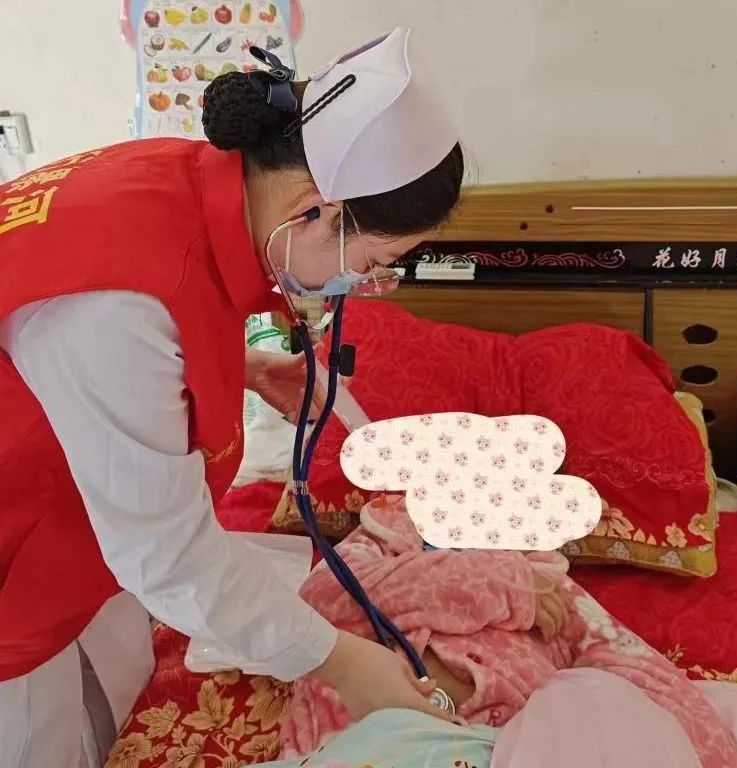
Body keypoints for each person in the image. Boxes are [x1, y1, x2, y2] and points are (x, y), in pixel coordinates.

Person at [0, 27, 464, 768]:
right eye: (374, 262)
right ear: (314, 209)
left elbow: (91, 353)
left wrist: (236, 365)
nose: (363, 285)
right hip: (18, 544)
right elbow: (167, 555)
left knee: (105, 699)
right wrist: (342, 662)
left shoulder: (175, 180)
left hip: (75, 528)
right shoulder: (117, 293)